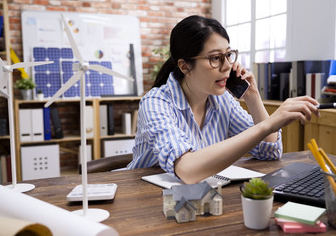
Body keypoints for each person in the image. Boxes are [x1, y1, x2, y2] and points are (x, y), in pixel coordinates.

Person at [127, 15, 320, 184]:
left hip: (198, 198)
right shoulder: (155, 103)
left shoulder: (222, 100)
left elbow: (269, 152)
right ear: (185, 67)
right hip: (146, 201)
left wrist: (253, 97)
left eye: (228, 55)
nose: (228, 65)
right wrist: (268, 124)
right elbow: (187, 170)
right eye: (215, 58)